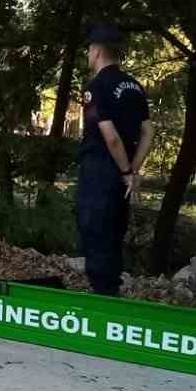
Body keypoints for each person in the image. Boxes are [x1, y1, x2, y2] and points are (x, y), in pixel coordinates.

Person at [76, 24, 153, 297]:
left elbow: (110, 137)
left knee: (94, 227)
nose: (88, 55)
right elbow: (147, 131)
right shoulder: (134, 86)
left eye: (89, 50)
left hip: (101, 168)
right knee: (114, 230)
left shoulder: (96, 87)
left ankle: (102, 293)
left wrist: (122, 169)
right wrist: (132, 169)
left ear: (96, 51)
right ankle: (111, 288)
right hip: (123, 172)